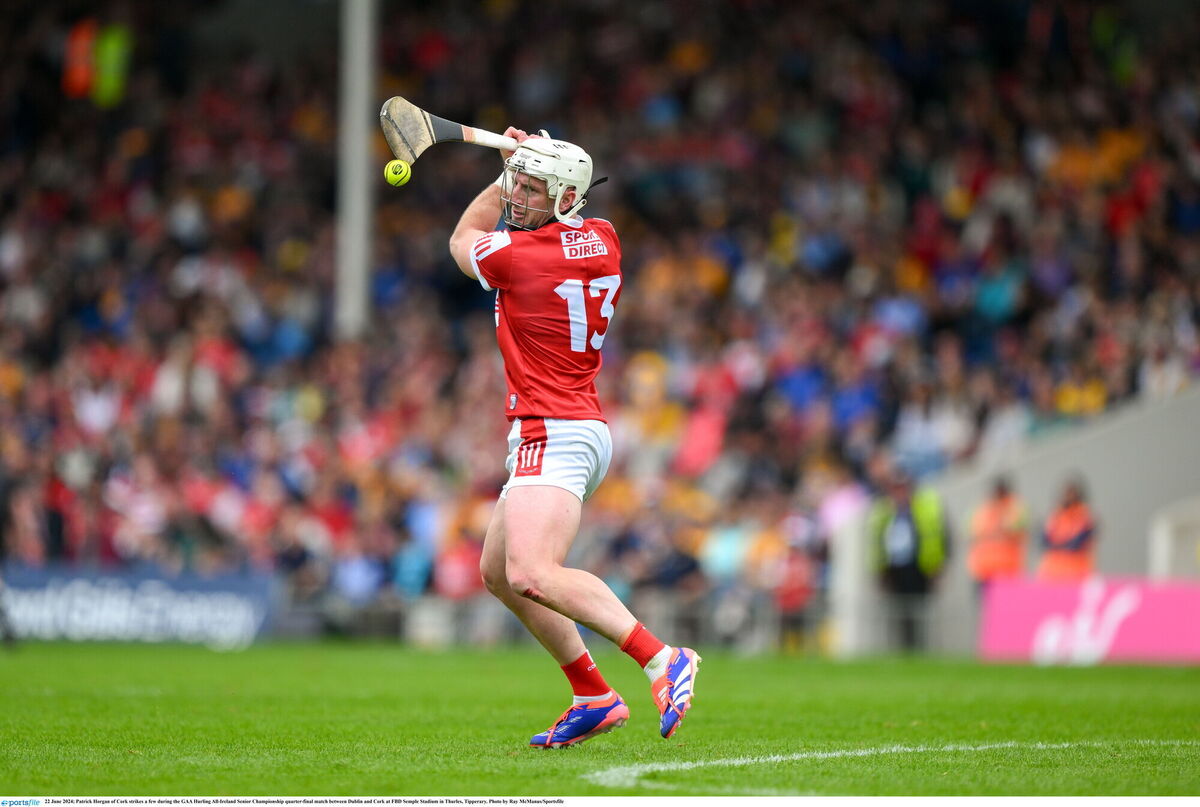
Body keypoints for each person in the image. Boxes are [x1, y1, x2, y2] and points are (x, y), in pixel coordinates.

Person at [448, 128, 700, 748]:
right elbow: (556, 224)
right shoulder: (605, 237)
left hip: (552, 427)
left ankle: (661, 658)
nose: (517, 197)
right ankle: (592, 693)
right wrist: (521, 168)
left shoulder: (514, 255)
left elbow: (461, 237)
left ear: (565, 197)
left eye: (532, 190)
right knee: (498, 572)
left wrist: (499, 171)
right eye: (517, 186)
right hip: (576, 423)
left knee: (532, 571)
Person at [867, 465, 950, 652]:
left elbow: (942, 537)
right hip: (894, 569)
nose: (900, 492)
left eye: (903, 487)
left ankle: (918, 649)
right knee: (898, 611)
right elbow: (877, 543)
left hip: (919, 567)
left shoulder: (926, 507)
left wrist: (938, 567)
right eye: (896, 488)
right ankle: (901, 649)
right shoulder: (884, 511)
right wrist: (879, 571)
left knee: (918, 610)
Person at [967, 476, 1029, 599]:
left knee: (1009, 606)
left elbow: (1015, 529)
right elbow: (972, 533)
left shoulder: (1015, 507)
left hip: (1007, 570)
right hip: (983, 570)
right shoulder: (983, 509)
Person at [1036, 477, 1097, 581]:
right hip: (1051, 572)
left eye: (1070, 493)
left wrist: (1057, 545)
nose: (1067, 497)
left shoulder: (1084, 515)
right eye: (1065, 493)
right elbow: (1044, 541)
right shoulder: (1055, 514)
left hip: (1076, 573)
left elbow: (1076, 543)